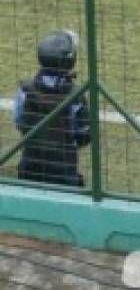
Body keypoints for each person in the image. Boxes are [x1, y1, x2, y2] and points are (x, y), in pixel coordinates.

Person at [14, 30, 90, 187]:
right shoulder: (76, 96)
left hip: (29, 167)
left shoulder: (25, 90)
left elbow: (20, 122)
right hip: (64, 172)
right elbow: (84, 135)